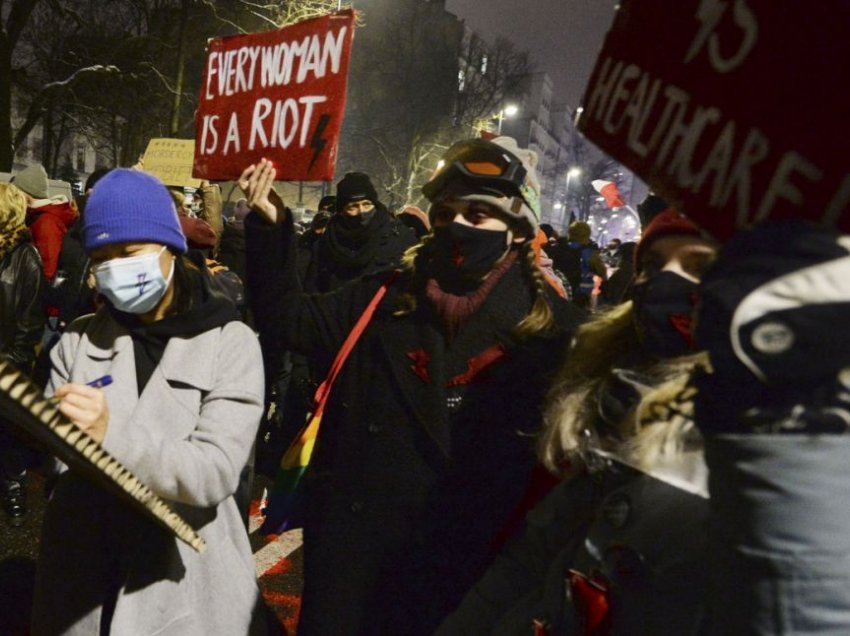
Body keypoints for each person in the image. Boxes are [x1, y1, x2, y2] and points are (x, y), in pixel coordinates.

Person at [242, 136, 584, 635]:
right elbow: (289, 320)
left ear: (516, 230)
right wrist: (271, 228)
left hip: (466, 581)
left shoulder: (555, 335)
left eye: (479, 214)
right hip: (354, 565)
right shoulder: (383, 296)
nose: (458, 227)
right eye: (445, 214)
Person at [437, 207, 718, 635]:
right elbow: (529, 561)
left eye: (701, 266)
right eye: (655, 265)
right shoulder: (605, 401)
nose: (666, 282)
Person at [31, 169, 267, 635]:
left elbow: (215, 471)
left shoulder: (231, 343)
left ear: (169, 249)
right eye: (102, 257)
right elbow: (56, 466)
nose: (114, 268)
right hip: (84, 584)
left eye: (129, 253)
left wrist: (108, 436)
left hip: (180, 583)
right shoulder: (79, 340)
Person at [0, 183, 46, 525]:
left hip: (8, 363)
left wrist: (13, 361)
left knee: (10, 432)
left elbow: (30, 320)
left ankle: (14, 487)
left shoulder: (25, 257)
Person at [302, 171, 417, 293]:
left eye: (366, 204)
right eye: (353, 206)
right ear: (341, 211)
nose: (361, 211)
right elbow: (313, 289)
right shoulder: (324, 245)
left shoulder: (400, 238)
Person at [550, 220, 607, 309]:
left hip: (557, 292)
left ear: (570, 233)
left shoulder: (557, 247)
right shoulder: (589, 253)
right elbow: (602, 272)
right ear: (587, 235)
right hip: (579, 297)